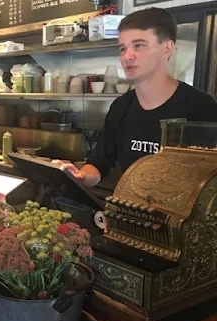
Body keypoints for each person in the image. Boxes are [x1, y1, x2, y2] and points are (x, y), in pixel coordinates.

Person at [58, 7, 217, 188]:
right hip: (131, 213)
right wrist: (79, 176)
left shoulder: (202, 108)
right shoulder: (121, 107)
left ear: (167, 48)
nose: (127, 56)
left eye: (139, 45)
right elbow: (99, 163)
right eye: (122, 48)